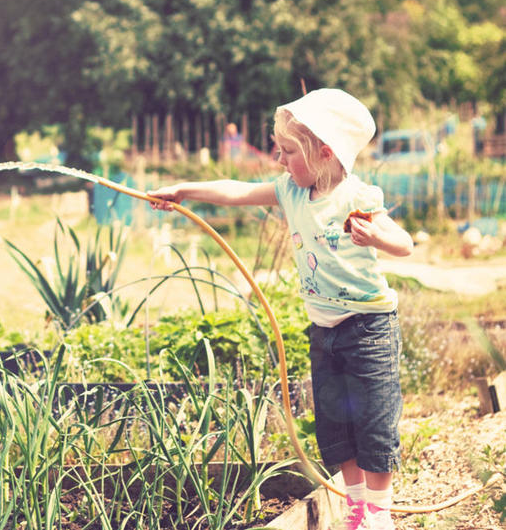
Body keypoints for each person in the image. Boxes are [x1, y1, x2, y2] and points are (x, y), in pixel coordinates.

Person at [148, 89, 413, 530]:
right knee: (337, 423)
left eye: (288, 150)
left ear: (325, 152)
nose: (279, 159)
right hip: (324, 331)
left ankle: (378, 516)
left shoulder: (356, 197)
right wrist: (184, 190)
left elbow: (404, 244)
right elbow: (235, 191)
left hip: (369, 328)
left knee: (374, 422)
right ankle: (356, 509)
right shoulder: (291, 191)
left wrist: (376, 239)